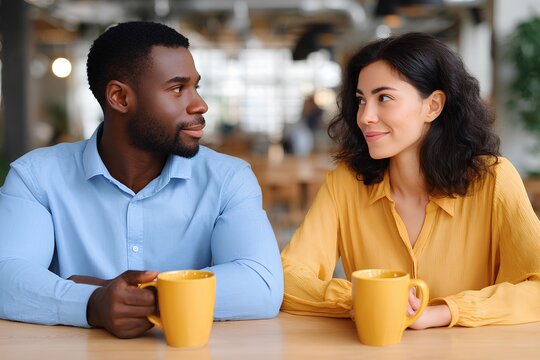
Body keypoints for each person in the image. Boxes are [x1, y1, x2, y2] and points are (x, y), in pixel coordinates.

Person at [0, 21, 283, 339]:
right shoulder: (36, 177)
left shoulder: (229, 178)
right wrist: (94, 303)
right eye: (177, 89)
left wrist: (121, 295)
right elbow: (6, 275)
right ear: (120, 97)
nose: (200, 104)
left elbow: (261, 284)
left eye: (195, 87)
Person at [280, 32, 540, 329]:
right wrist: (361, 296)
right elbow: (287, 277)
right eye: (361, 100)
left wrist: (441, 312)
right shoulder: (346, 183)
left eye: (385, 98)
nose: (365, 116)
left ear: (433, 106)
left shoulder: (493, 180)